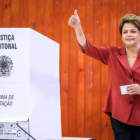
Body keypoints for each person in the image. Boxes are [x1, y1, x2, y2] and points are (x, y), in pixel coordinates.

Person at [68, 10, 140, 140]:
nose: (129, 35)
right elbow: (88, 48)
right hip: (120, 116)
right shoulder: (113, 53)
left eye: (133, 31)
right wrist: (77, 27)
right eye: (125, 32)